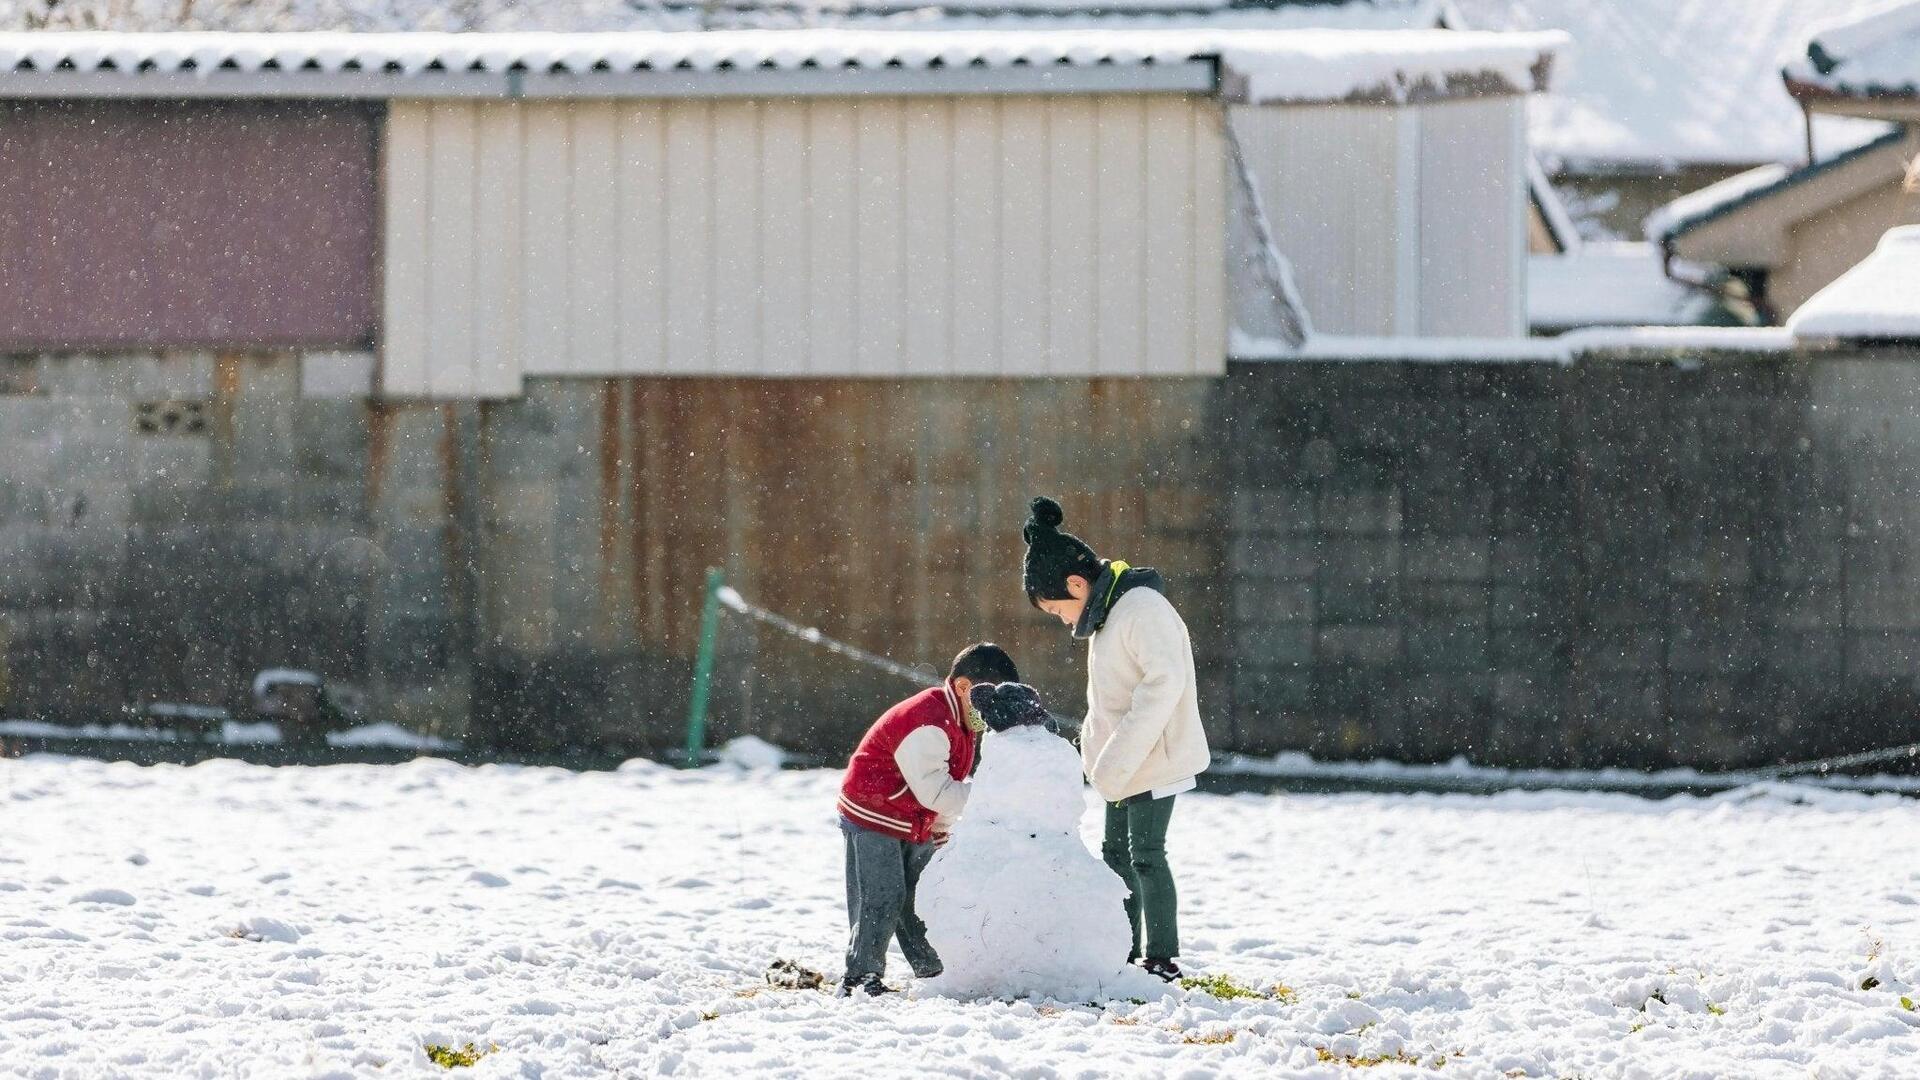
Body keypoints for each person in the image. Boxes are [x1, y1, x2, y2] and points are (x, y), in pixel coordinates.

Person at [1021, 495, 1210, 982]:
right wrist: (1102, 757)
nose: (1061, 619)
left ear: (1076, 584)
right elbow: (1109, 700)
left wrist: (1117, 758)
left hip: (1153, 759)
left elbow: (1162, 684)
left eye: (1057, 608)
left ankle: (1162, 957)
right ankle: (1120, 950)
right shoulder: (1107, 615)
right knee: (1115, 857)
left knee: (1146, 854)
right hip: (1119, 766)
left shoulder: (1141, 608)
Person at [835, 642, 1019, 996]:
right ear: (965, 688)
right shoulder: (929, 721)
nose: (990, 713)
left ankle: (932, 971)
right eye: (988, 701)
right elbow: (936, 790)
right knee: (881, 895)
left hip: (912, 814)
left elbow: (944, 786)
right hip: (873, 811)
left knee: (922, 896)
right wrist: (993, 797)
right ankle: (860, 976)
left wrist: (940, 830)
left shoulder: (961, 721)